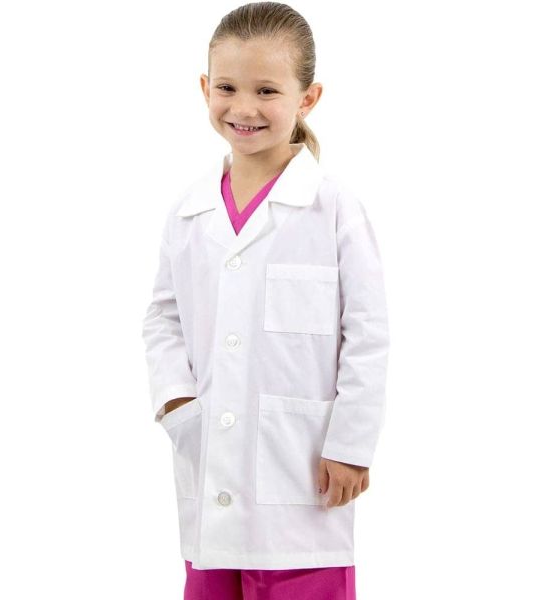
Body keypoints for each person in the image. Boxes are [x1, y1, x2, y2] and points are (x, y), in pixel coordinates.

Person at [141, 2, 390, 599]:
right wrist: (176, 400)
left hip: (303, 470)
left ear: (308, 98)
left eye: (267, 90)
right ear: (205, 88)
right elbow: (163, 316)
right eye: (227, 87)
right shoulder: (190, 211)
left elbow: (368, 333)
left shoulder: (334, 208)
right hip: (211, 459)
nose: (243, 108)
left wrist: (351, 444)